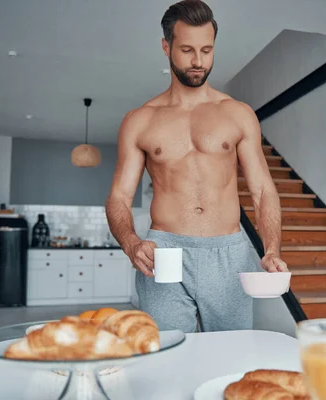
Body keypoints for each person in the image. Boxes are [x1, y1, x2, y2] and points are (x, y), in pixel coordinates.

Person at [105, 0, 287, 334]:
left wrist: (271, 247)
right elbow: (118, 196)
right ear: (166, 46)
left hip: (230, 255)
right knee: (169, 355)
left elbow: (262, 189)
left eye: (207, 50)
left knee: (231, 358)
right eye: (187, 50)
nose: (199, 61)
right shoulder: (140, 121)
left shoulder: (238, 114)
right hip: (165, 253)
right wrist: (131, 243)